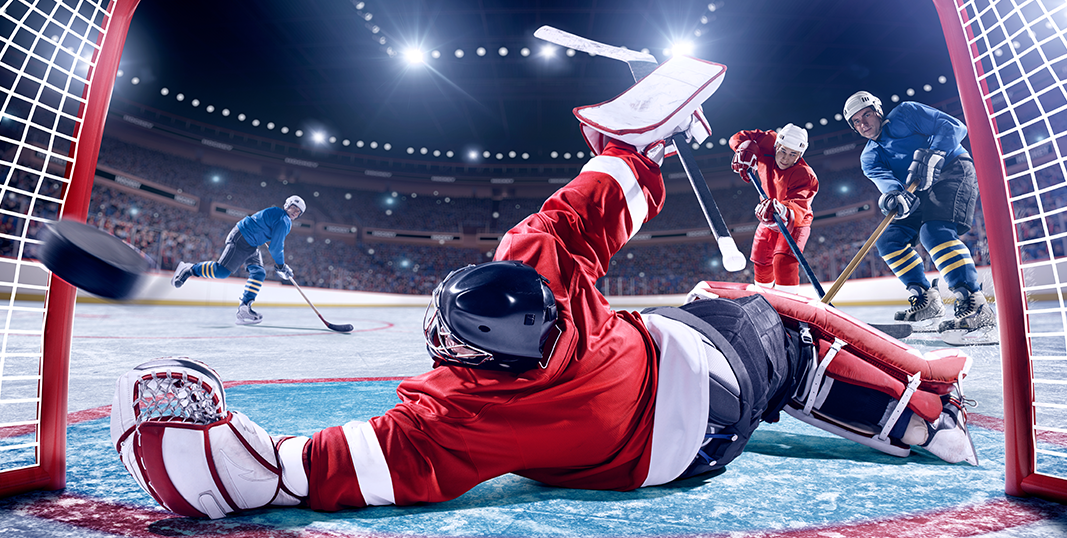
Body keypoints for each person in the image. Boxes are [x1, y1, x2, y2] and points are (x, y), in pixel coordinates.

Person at [112, 67, 979, 520]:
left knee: (731, 301)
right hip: (693, 371)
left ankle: (910, 403)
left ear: (461, 348)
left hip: (677, 454)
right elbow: (580, 216)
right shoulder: (549, 285)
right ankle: (920, 409)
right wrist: (642, 149)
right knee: (771, 318)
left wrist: (235, 466)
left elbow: (311, 470)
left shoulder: (464, 414)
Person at [843, 91, 995, 333]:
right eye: (857, 122)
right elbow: (888, 184)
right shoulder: (869, 157)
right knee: (888, 241)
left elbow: (954, 126)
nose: (863, 124)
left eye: (867, 115)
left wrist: (935, 152)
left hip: (952, 170)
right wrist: (893, 196)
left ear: (878, 111)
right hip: (917, 190)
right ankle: (926, 299)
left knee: (934, 232)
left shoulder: (906, 113)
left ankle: (975, 304)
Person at [170, 195, 305, 325]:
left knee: (259, 273)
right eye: (293, 207)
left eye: (298, 212)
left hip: (250, 243)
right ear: (287, 205)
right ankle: (189, 269)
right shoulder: (283, 219)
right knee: (221, 271)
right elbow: (275, 248)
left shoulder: (278, 214)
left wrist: (280, 265)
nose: (295, 212)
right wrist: (281, 266)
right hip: (242, 238)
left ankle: (244, 308)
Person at [729, 124, 819, 294]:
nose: (785, 158)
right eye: (783, 151)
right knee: (760, 259)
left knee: (783, 262)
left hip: (794, 222)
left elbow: (798, 207)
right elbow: (736, 137)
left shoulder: (805, 175)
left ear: (800, 155)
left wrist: (782, 210)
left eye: (793, 154)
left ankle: (788, 308)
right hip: (768, 215)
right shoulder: (767, 140)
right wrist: (744, 149)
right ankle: (763, 299)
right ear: (777, 145)